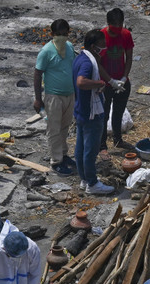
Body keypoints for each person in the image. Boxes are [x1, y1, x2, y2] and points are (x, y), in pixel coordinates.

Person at [72, 30, 114, 195]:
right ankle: (92, 183)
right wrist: (99, 83)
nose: (104, 48)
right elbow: (81, 82)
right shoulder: (88, 63)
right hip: (91, 112)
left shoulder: (80, 58)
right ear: (93, 46)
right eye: (102, 45)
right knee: (91, 149)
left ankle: (84, 179)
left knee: (80, 147)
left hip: (81, 109)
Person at [33, 19, 76, 177]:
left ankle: (63, 155)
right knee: (54, 129)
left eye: (65, 34)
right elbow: (37, 74)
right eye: (59, 34)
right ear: (52, 35)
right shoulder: (46, 51)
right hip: (53, 96)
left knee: (65, 127)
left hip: (70, 94)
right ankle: (56, 161)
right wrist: (38, 99)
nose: (62, 37)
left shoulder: (70, 47)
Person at [98, 8, 135, 159]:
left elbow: (129, 57)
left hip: (122, 81)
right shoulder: (101, 36)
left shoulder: (126, 35)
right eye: (115, 27)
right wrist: (110, 81)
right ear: (108, 24)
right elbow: (98, 64)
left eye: (120, 25)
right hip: (105, 83)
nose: (117, 30)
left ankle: (118, 140)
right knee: (104, 114)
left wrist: (124, 78)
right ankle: (102, 145)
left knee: (118, 112)